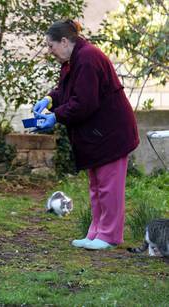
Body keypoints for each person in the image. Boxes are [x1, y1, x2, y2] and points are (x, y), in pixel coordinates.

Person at [33, 20, 139, 250]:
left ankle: (109, 236)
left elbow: (84, 103)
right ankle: (96, 233)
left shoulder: (88, 58)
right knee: (96, 186)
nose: (49, 52)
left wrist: (55, 117)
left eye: (50, 46)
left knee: (109, 187)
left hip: (111, 134)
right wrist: (49, 101)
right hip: (97, 135)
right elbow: (66, 91)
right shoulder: (73, 60)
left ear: (64, 41)